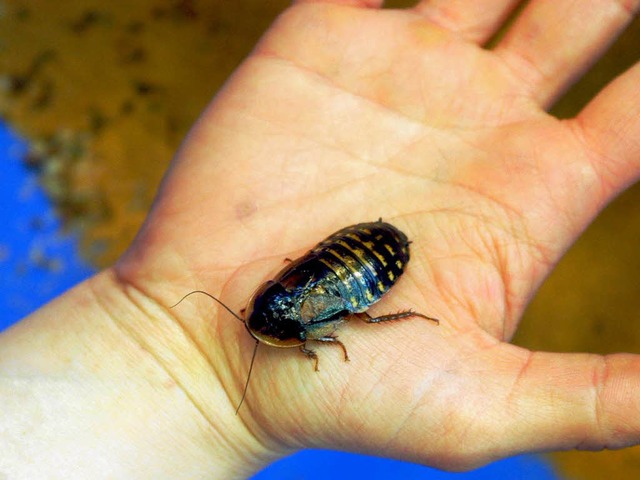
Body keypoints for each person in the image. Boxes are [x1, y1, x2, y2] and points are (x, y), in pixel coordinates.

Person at [2, 0, 639, 478]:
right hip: (348, 263)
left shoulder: (289, 315)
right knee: (354, 319)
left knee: (353, 321)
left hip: (358, 257)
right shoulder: (281, 312)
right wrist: (201, 382)